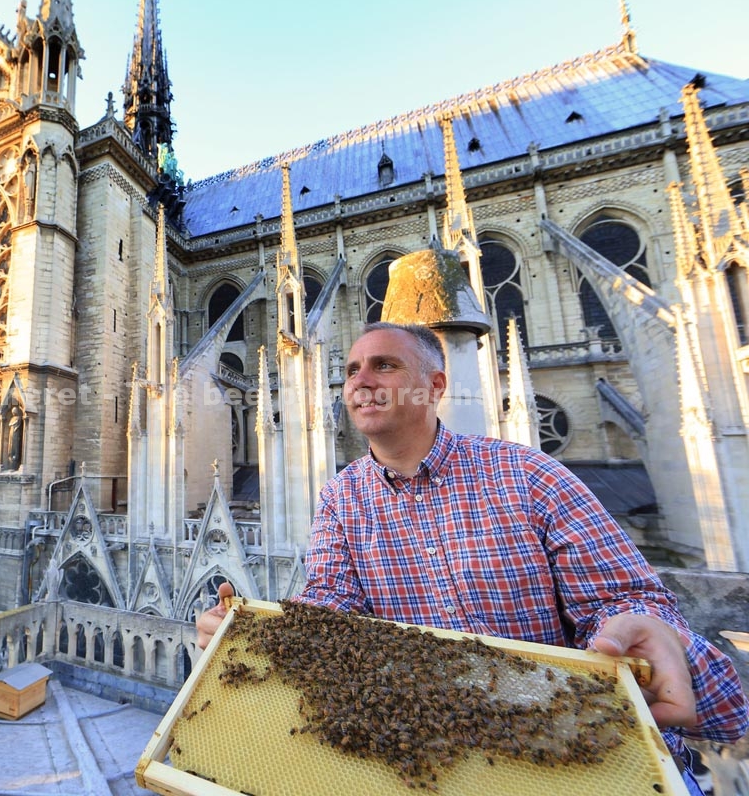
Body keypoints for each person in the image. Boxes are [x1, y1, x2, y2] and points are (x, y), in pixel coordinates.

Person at [197, 321, 747, 792]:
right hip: (441, 764)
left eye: (384, 366)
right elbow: (332, 604)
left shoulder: (528, 474)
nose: (360, 381)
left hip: (577, 758)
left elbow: (624, 601)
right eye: (352, 370)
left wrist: (647, 634)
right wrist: (251, 630)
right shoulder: (340, 496)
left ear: (434, 385)